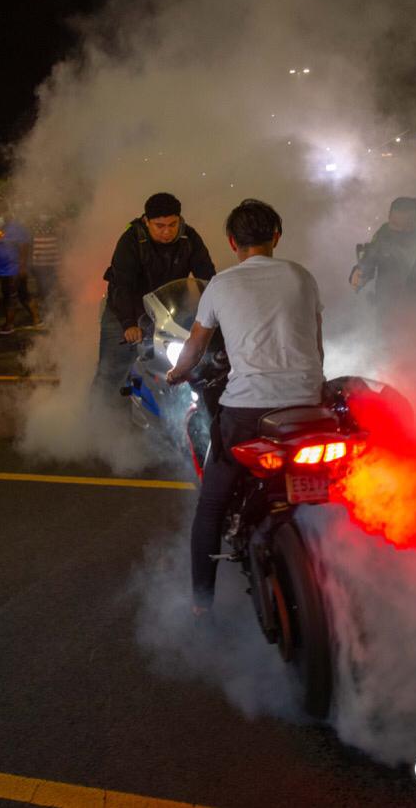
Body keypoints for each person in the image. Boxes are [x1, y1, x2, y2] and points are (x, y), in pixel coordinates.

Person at [165, 199, 324, 613]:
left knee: (211, 505)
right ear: (276, 237)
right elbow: (316, 345)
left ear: (232, 242)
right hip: (308, 405)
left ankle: (201, 602)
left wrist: (177, 373)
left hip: (248, 412)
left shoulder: (220, 285)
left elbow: (195, 346)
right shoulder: (301, 277)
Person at [93, 192, 215, 402]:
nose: (167, 231)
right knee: (111, 372)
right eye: (160, 226)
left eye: (173, 224)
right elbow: (122, 286)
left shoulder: (189, 238)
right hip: (124, 312)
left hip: (167, 312)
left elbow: (207, 279)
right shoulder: (131, 240)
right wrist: (129, 324)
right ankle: (97, 415)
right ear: (146, 221)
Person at [349, 197, 416, 319]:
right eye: (395, 225)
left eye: (407, 226)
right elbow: (369, 258)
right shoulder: (384, 234)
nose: (400, 231)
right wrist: (359, 274)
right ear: (389, 218)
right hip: (387, 307)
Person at [0, 212, 37, 335]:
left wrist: (22, 267)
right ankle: (37, 319)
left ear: (7, 214)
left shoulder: (16, 228)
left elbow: (24, 247)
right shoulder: (1, 229)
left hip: (13, 269)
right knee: (23, 295)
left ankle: (9, 324)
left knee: (10, 297)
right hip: (5, 269)